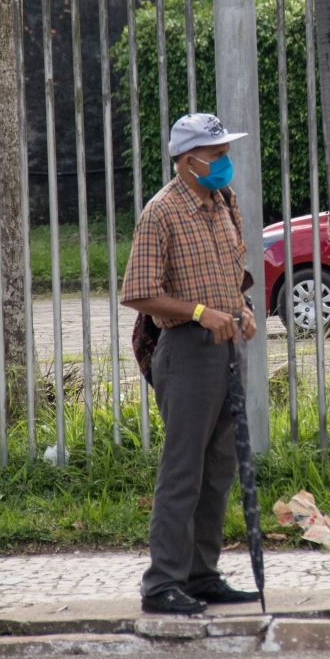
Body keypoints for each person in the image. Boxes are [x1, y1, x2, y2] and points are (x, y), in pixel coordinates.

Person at [121, 112, 260, 615]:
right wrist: (201, 312)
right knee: (183, 470)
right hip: (184, 353)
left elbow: (231, 273)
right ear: (188, 160)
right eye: (216, 154)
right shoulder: (161, 212)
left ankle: (201, 574)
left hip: (225, 350)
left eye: (226, 152)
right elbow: (138, 293)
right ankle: (161, 583)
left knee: (217, 468)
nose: (225, 163)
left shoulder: (223, 202)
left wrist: (241, 313)